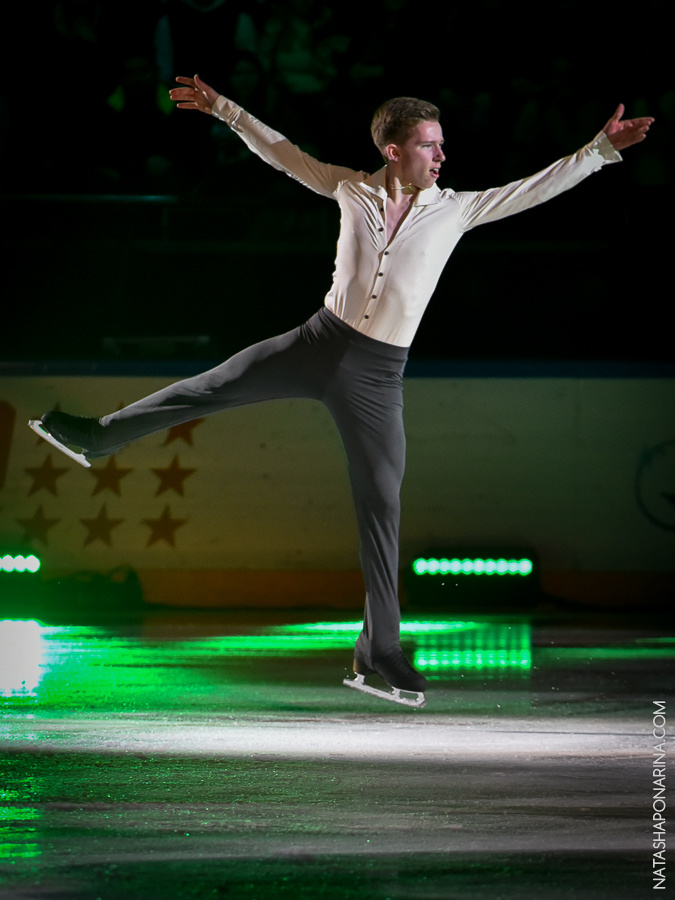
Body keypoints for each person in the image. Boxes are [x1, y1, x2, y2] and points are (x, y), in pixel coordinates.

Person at [34, 74, 653, 707]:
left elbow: (535, 187)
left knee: (382, 506)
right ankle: (93, 437)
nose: (442, 156)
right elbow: (282, 151)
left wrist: (601, 149)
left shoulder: (457, 209)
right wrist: (222, 108)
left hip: (379, 377)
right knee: (209, 386)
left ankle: (378, 648)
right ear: (394, 151)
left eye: (441, 145)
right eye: (430, 145)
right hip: (316, 343)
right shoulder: (350, 188)